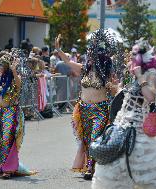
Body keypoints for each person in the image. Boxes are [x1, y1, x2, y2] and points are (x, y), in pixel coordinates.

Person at [92, 40, 156, 189]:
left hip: (140, 127)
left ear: (142, 56)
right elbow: (126, 96)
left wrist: (140, 76)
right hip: (123, 124)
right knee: (116, 161)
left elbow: (150, 97)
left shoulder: (151, 74)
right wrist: (116, 87)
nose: (130, 56)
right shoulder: (133, 73)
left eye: (133, 54)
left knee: (144, 166)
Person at [55, 29, 118, 180]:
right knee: (86, 140)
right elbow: (68, 62)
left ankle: (90, 167)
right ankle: (91, 165)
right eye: (89, 55)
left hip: (100, 110)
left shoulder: (107, 73)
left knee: (94, 138)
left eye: (92, 55)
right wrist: (58, 49)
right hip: (83, 109)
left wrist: (111, 86)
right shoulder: (84, 69)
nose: (89, 57)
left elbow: (116, 90)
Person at [0, 53, 36, 178]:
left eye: (2, 65)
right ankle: (3, 166)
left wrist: (14, 70)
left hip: (10, 112)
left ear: (7, 66)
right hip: (0, 112)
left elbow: (19, 85)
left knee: (8, 139)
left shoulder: (15, 77)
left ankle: (8, 169)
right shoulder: (4, 79)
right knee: (1, 140)